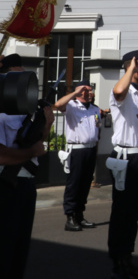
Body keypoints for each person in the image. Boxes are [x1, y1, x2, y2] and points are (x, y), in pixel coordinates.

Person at [0, 58, 53, 279]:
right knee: (4, 247)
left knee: (20, 249)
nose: (21, 80)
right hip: (5, 184)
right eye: (15, 75)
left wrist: (47, 122)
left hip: (26, 183)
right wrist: (29, 153)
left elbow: (38, 141)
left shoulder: (26, 109)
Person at [107, 50, 138, 279]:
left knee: (133, 212)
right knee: (122, 213)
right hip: (127, 159)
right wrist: (130, 68)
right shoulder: (123, 92)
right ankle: (119, 263)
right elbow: (118, 90)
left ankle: (128, 259)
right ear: (132, 68)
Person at [53, 80, 101, 232]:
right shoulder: (72, 106)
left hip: (91, 150)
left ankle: (80, 214)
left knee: (85, 183)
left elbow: (97, 129)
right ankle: (70, 217)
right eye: (84, 90)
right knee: (74, 184)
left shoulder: (95, 109)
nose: (88, 93)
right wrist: (74, 93)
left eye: (89, 90)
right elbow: (58, 105)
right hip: (77, 150)